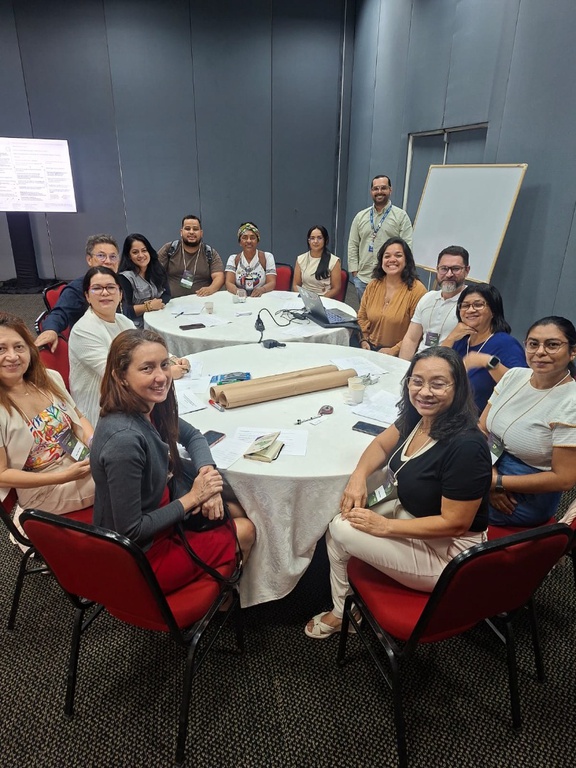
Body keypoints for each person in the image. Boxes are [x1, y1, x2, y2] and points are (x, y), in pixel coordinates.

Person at [305, 346, 491, 638]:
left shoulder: (467, 446)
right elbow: (380, 444)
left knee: (340, 528)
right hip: (413, 517)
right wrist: (358, 476)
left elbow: (456, 523)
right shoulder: (419, 417)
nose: (425, 391)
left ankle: (343, 611)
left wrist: (385, 526)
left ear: (458, 387)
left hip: (449, 554)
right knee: (343, 517)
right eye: (417, 381)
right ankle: (346, 606)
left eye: (438, 384)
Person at [90, 328, 255, 595]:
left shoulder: (146, 406)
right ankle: (222, 599)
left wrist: (207, 475)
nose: (161, 376)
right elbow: (131, 531)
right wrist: (195, 497)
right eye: (147, 368)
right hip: (142, 557)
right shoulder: (124, 440)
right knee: (245, 530)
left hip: (162, 514)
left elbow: (193, 436)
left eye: (164, 364)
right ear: (120, 377)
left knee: (236, 508)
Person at [479, 316, 576, 528]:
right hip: (489, 466)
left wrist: (498, 483)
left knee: (437, 494)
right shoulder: (514, 376)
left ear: (572, 352)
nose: (540, 352)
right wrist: (491, 476)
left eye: (552, 345)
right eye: (533, 344)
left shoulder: (572, 402)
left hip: (523, 497)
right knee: (427, 476)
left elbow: (564, 479)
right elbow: (482, 427)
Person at [0, 312, 94, 517]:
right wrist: (65, 476)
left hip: (77, 460)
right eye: (1, 349)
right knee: (126, 473)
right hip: (43, 488)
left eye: (19, 347)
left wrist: (93, 441)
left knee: (128, 454)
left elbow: (79, 417)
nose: (13, 356)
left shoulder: (49, 379)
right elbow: (2, 475)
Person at [440, 284, 527, 413]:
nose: (470, 310)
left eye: (478, 305)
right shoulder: (461, 339)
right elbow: (434, 369)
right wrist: (450, 338)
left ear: (493, 310)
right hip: (445, 412)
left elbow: (521, 388)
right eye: (465, 305)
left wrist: (487, 362)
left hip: (478, 423)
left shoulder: (505, 343)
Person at [35, 234, 122, 352]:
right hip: (93, 343)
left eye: (113, 257)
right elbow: (59, 313)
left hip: (119, 335)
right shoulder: (77, 289)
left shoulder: (119, 283)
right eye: (101, 256)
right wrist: (50, 329)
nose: (108, 261)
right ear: (89, 260)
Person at [347, 175, 413, 301]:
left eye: (383, 188)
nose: (379, 192)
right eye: (376, 188)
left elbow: (407, 248)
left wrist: (401, 275)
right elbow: (353, 244)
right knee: (364, 316)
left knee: (386, 317)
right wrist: (355, 273)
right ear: (371, 191)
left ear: (390, 190)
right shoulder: (360, 216)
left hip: (389, 279)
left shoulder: (401, 217)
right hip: (363, 278)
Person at [399, 245, 470, 360]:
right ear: (437, 269)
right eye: (444, 268)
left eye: (455, 269)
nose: (449, 274)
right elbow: (411, 339)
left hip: (449, 368)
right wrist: (404, 369)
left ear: (466, 271)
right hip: (419, 364)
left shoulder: (472, 303)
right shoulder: (428, 298)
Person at [357, 237, 426, 355]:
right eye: (387, 256)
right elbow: (362, 317)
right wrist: (363, 339)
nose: (392, 260)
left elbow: (417, 333)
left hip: (400, 354)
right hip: (368, 347)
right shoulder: (373, 285)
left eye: (398, 255)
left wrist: (393, 350)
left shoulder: (417, 290)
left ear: (407, 260)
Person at [157, 215, 225, 299]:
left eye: (195, 229)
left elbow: (219, 276)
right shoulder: (170, 249)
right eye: (187, 228)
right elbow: (154, 271)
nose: (191, 232)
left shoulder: (210, 252)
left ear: (201, 233)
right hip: (172, 302)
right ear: (181, 232)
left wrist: (210, 289)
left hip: (201, 302)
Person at [118, 234, 171, 328]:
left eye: (144, 250)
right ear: (129, 256)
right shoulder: (124, 278)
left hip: (160, 320)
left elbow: (167, 294)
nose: (141, 255)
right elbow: (125, 311)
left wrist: (158, 303)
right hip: (138, 327)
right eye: (135, 252)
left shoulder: (157, 269)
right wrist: (149, 306)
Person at [225, 222, 277, 297]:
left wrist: (262, 290)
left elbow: (272, 282)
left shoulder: (267, 257)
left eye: (252, 238)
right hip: (241, 299)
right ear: (240, 242)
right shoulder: (233, 259)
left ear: (257, 241)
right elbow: (228, 283)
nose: (249, 241)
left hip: (261, 299)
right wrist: (237, 291)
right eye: (244, 238)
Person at [292, 226, 342, 298]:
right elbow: (296, 285)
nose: (315, 241)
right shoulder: (301, 259)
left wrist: (320, 300)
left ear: (326, 240)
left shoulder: (334, 261)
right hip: (304, 298)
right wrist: (303, 298)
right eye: (312, 238)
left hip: (324, 299)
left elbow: (336, 288)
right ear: (308, 241)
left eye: (319, 238)